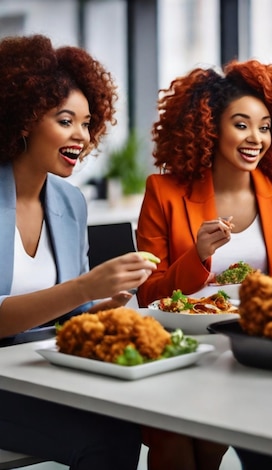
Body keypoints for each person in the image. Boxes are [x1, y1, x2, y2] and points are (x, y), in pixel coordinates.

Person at [135, 59, 272, 469]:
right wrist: (199, 257)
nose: (255, 138)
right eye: (241, 124)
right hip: (181, 351)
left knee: (212, 448)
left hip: (253, 349)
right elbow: (148, 294)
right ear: (209, 128)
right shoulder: (164, 192)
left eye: (264, 127)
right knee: (174, 449)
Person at [0, 34, 157, 469]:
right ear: (24, 117)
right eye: (66, 120)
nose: (82, 136)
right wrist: (83, 288)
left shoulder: (70, 202)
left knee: (135, 419)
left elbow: (69, 313)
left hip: (39, 370)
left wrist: (100, 304)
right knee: (105, 439)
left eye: (87, 123)